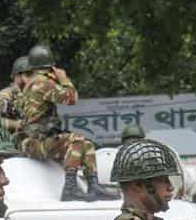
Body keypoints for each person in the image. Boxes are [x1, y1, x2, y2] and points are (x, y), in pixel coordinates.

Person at [16, 44, 119, 201]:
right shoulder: (43, 82)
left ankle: (94, 185)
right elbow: (72, 98)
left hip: (35, 141)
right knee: (76, 140)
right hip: (35, 143)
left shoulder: (33, 83)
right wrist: (64, 78)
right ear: (51, 67)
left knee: (87, 144)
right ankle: (70, 188)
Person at [0, 56, 29, 134]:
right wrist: (16, 124)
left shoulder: (31, 95)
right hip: (6, 142)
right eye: (28, 74)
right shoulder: (5, 95)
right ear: (17, 76)